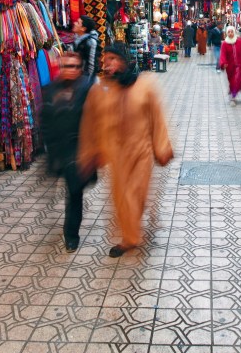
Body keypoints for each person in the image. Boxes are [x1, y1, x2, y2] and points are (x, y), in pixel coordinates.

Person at [78, 43, 174, 257]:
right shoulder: (100, 89)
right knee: (121, 197)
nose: (107, 63)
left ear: (123, 60)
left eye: (112, 58)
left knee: (136, 193)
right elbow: (90, 124)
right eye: (105, 60)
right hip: (115, 154)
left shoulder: (145, 84)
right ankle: (129, 238)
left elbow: (156, 118)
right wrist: (90, 152)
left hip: (141, 151)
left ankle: (132, 231)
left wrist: (162, 146)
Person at [40, 52, 95, 252]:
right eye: (65, 66)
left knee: (74, 193)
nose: (68, 70)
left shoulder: (88, 88)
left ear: (79, 69)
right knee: (64, 188)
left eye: (73, 66)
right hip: (58, 149)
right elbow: (45, 119)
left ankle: (71, 233)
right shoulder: (51, 89)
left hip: (79, 149)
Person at [218, 26, 241, 105]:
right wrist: (223, 63)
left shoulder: (239, 41)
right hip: (229, 67)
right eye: (229, 32)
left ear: (234, 32)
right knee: (232, 81)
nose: (230, 33)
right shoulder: (224, 43)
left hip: (239, 65)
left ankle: (233, 97)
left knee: (237, 81)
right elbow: (222, 55)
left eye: (231, 32)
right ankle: (232, 90)